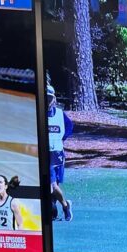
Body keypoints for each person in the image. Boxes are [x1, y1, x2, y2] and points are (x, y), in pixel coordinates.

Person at [46, 80, 73, 222]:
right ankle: (64, 206)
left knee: (55, 184)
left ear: (54, 99)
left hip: (58, 154)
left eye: (50, 98)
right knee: (52, 184)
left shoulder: (60, 114)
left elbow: (69, 126)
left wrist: (62, 138)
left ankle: (56, 206)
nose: (48, 100)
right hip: (47, 155)